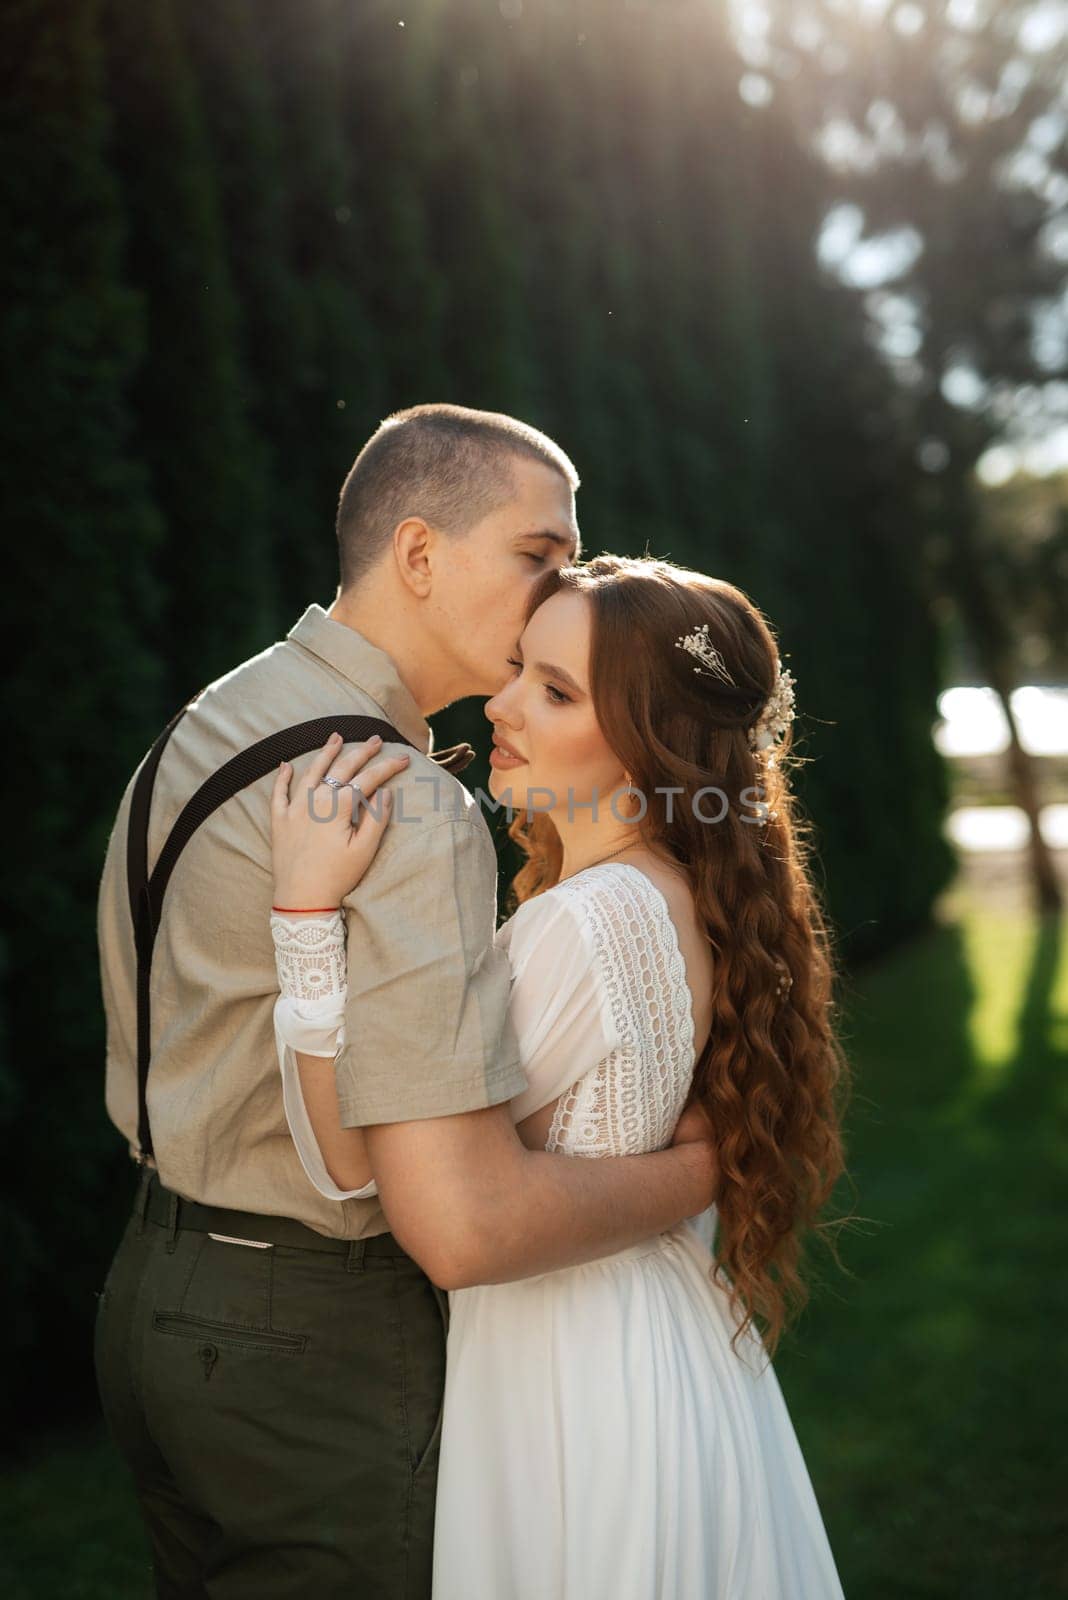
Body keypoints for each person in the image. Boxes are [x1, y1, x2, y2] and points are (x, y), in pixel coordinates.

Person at [93, 406, 719, 1600]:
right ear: (420, 554)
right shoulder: (402, 802)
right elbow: (468, 1226)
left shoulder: (211, 717)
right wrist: (705, 1169)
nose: (557, 590)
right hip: (313, 1335)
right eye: (539, 555)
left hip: (150, 1299)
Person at [268, 553, 849, 1598]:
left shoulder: (587, 924)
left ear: (645, 744)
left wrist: (306, 924)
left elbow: (360, 1163)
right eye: (519, 670)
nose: (501, 705)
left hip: (577, 1382)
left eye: (554, 691)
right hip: (649, 1348)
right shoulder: (671, 890)